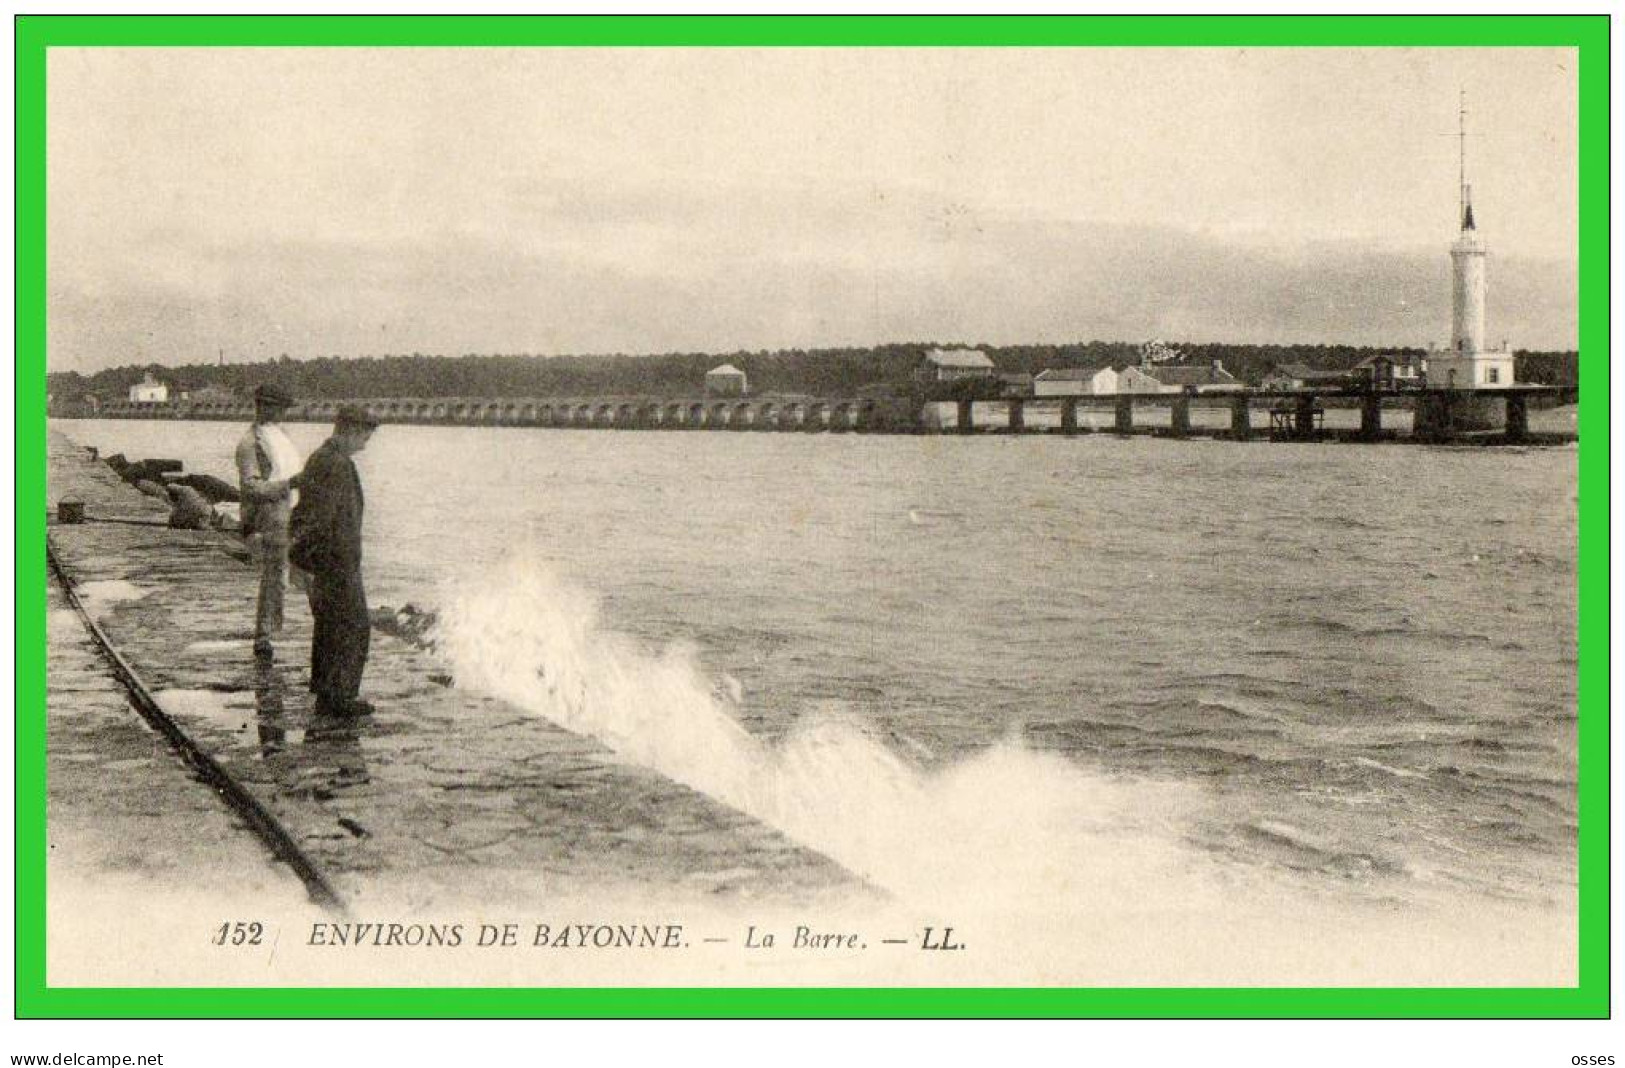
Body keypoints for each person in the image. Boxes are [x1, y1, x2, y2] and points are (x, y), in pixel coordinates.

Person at [290, 404, 379, 718]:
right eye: (364, 437)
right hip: (335, 563)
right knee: (353, 627)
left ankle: (328, 693)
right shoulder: (336, 464)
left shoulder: (323, 458)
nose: (365, 444)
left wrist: (302, 560)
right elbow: (319, 519)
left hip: (329, 562)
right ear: (351, 431)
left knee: (330, 628)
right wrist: (308, 560)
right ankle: (340, 697)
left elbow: (304, 513)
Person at [234, 383, 303, 657]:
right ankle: (263, 636)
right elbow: (251, 487)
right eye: (278, 409)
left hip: (289, 512)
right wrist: (289, 485)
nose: (282, 414)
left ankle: (271, 631)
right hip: (268, 518)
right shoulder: (250, 443)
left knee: (282, 575)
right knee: (273, 576)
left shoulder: (279, 435)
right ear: (264, 407)